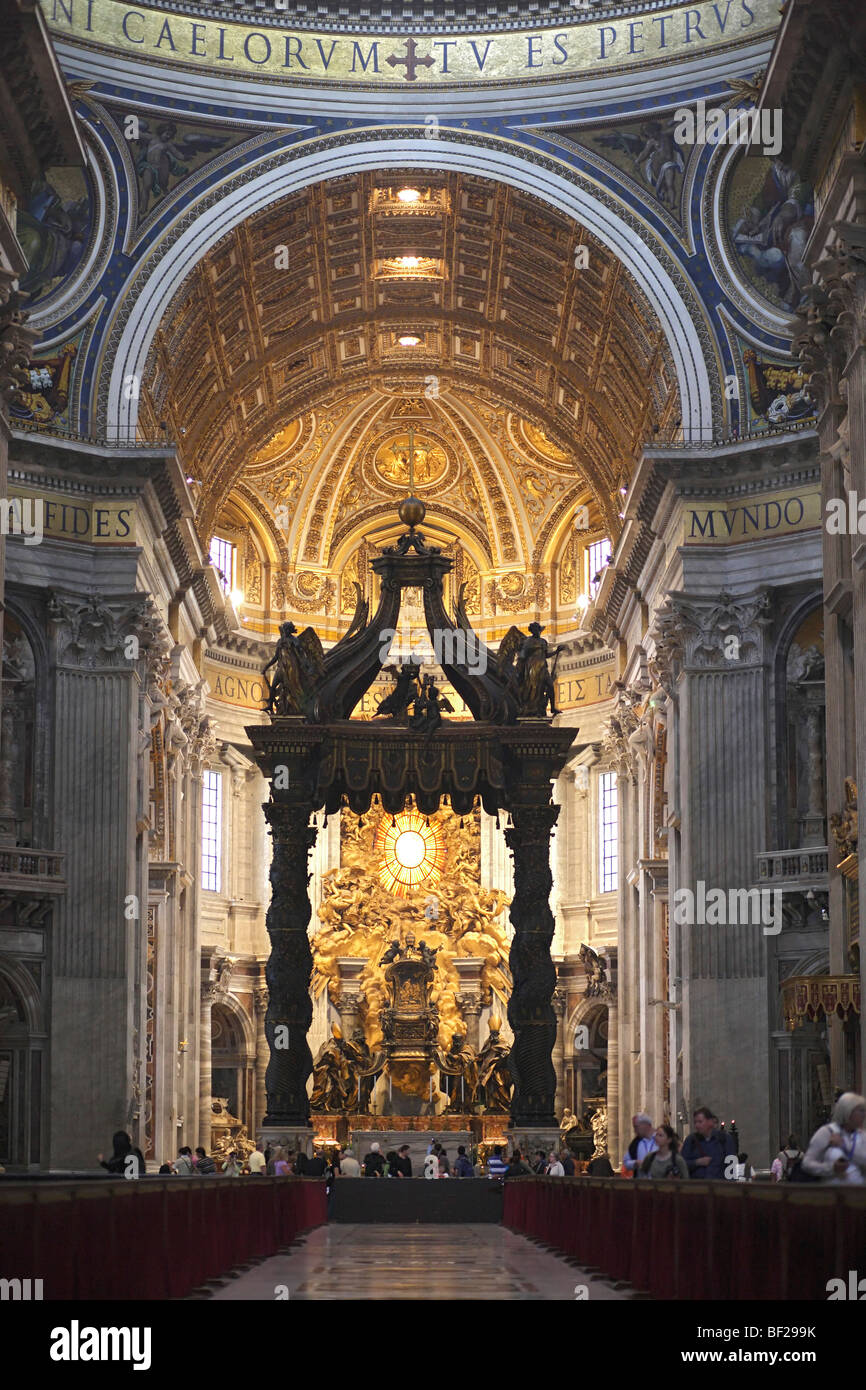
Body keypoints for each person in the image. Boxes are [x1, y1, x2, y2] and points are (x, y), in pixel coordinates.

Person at [802, 1092, 866, 1184]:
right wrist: (831, 1168)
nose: (864, 1115)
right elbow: (807, 1164)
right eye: (860, 1111)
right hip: (832, 1193)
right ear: (848, 1111)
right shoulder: (827, 1132)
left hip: (858, 1193)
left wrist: (844, 1146)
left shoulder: (862, 1135)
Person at [681, 1107, 737, 1179]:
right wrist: (697, 1162)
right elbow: (682, 1164)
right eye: (695, 1122)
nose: (697, 1125)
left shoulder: (724, 1139)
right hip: (697, 1186)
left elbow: (732, 1166)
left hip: (719, 1186)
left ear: (710, 1122)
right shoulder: (691, 1140)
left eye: (700, 1122)